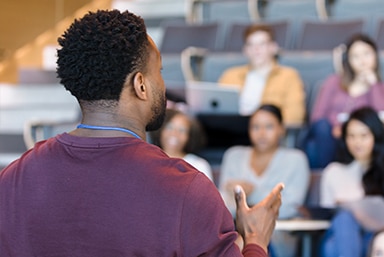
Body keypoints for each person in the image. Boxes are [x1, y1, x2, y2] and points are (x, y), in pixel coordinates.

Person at [0, 10, 283, 256]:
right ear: (141, 85)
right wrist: (256, 240)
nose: (163, 83)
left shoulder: (13, 177)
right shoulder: (186, 189)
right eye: (158, 71)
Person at [219, 104, 310, 257]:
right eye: (256, 127)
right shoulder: (234, 155)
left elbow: (291, 206)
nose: (261, 133)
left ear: (282, 129)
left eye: (269, 126)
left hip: (277, 233)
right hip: (235, 233)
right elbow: (222, 204)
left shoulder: (296, 159)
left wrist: (249, 194)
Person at [320, 107, 384, 257]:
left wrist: (366, 216)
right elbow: (326, 217)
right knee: (344, 221)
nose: (357, 142)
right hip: (342, 236)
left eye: (364, 136)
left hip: (378, 240)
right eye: (351, 136)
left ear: (376, 137)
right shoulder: (333, 172)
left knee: (335, 245)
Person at [304, 33, 384, 169]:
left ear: (375, 56)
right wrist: (337, 128)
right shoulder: (333, 82)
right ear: (348, 60)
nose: (362, 60)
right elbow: (317, 116)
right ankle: (327, 175)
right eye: (355, 56)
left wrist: (374, 85)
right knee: (321, 129)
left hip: (359, 140)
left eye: (367, 54)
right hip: (330, 137)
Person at [218, 24, 306, 126]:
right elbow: (218, 109)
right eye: (251, 45)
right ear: (245, 50)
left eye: (262, 44)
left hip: (267, 131)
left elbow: (295, 116)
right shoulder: (230, 75)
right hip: (232, 127)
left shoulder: (289, 76)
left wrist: (266, 124)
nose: (256, 49)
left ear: (273, 47)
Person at [150, 108, 213, 181]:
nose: (175, 133)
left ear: (189, 136)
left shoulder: (199, 165)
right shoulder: (149, 161)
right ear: (160, 130)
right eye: (169, 127)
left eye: (182, 130)